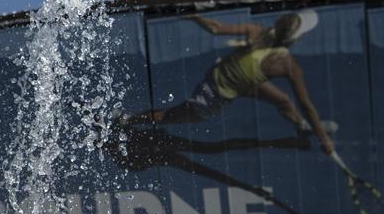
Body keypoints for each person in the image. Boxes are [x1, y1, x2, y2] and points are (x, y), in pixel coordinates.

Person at [122, 10, 336, 155]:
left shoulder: (257, 31)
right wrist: (324, 139)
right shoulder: (288, 65)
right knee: (170, 116)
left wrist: (193, 14)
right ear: (296, 39)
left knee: (285, 101)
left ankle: (302, 127)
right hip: (217, 92)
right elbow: (307, 105)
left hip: (233, 78)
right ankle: (127, 120)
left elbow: (215, 28)